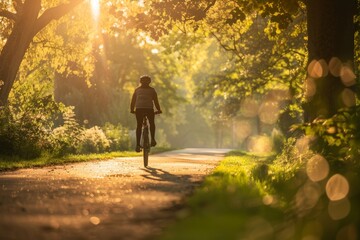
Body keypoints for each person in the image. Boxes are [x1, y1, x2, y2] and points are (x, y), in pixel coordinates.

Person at [130, 75, 162, 152]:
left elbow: (133, 101)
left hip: (139, 109)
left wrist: (132, 110)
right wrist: (159, 110)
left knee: (139, 125)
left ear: (140, 82)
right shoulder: (152, 90)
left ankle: (138, 145)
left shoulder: (137, 90)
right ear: (149, 82)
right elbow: (156, 101)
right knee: (151, 123)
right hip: (149, 109)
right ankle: (153, 139)